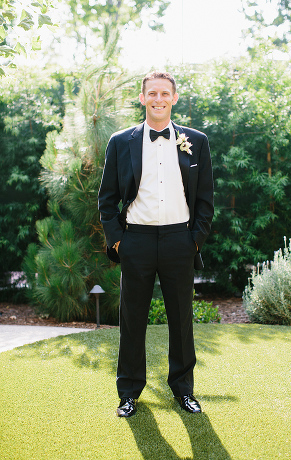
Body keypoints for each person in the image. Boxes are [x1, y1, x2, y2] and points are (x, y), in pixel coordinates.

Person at [98, 71, 214, 418]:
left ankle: (183, 391)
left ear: (174, 98)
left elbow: (206, 198)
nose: (158, 99)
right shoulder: (121, 141)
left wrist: (195, 241)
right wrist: (118, 241)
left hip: (180, 239)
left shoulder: (197, 140)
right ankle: (129, 393)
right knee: (132, 319)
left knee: (182, 320)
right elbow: (107, 198)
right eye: (152, 93)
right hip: (137, 240)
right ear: (142, 97)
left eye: (165, 93)